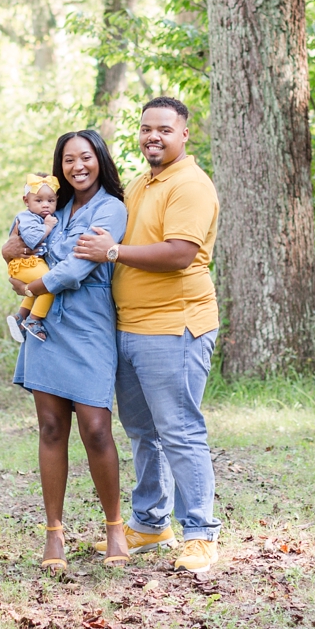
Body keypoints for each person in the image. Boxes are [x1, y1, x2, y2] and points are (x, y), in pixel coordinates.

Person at [74, 96, 221, 575]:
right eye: (145, 129)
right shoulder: (141, 184)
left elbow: (179, 253)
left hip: (173, 327)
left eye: (163, 129)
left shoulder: (190, 186)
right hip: (128, 328)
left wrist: (113, 252)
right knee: (142, 433)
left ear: (183, 135)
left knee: (179, 431)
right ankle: (151, 523)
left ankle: (200, 534)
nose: (152, 136)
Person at [2, 131, 131, 571]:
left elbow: (79, 265)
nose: (78, 166)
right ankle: (54, 535)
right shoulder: (48, 206)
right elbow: (16, 244)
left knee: (96, 426)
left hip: (90, 324)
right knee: (52, 428)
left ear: (100, 160)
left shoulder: (111, 208)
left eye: (86, 157)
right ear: (60, 166)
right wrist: (9, 254)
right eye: (69, 159)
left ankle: (115, 526)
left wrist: (35, 283)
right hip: (47, 325)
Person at [6, 172, 61, 343]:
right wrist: (47, 227)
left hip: (30, 264)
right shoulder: (27, 218)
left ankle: (20, 318)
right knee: (49, 284)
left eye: (51, 201)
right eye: (39, 201)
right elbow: (32, 239)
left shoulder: (38, 216)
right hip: (25, 263)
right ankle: (34, 321)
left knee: (35, 290)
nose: (45, 205)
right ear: (26, 201)